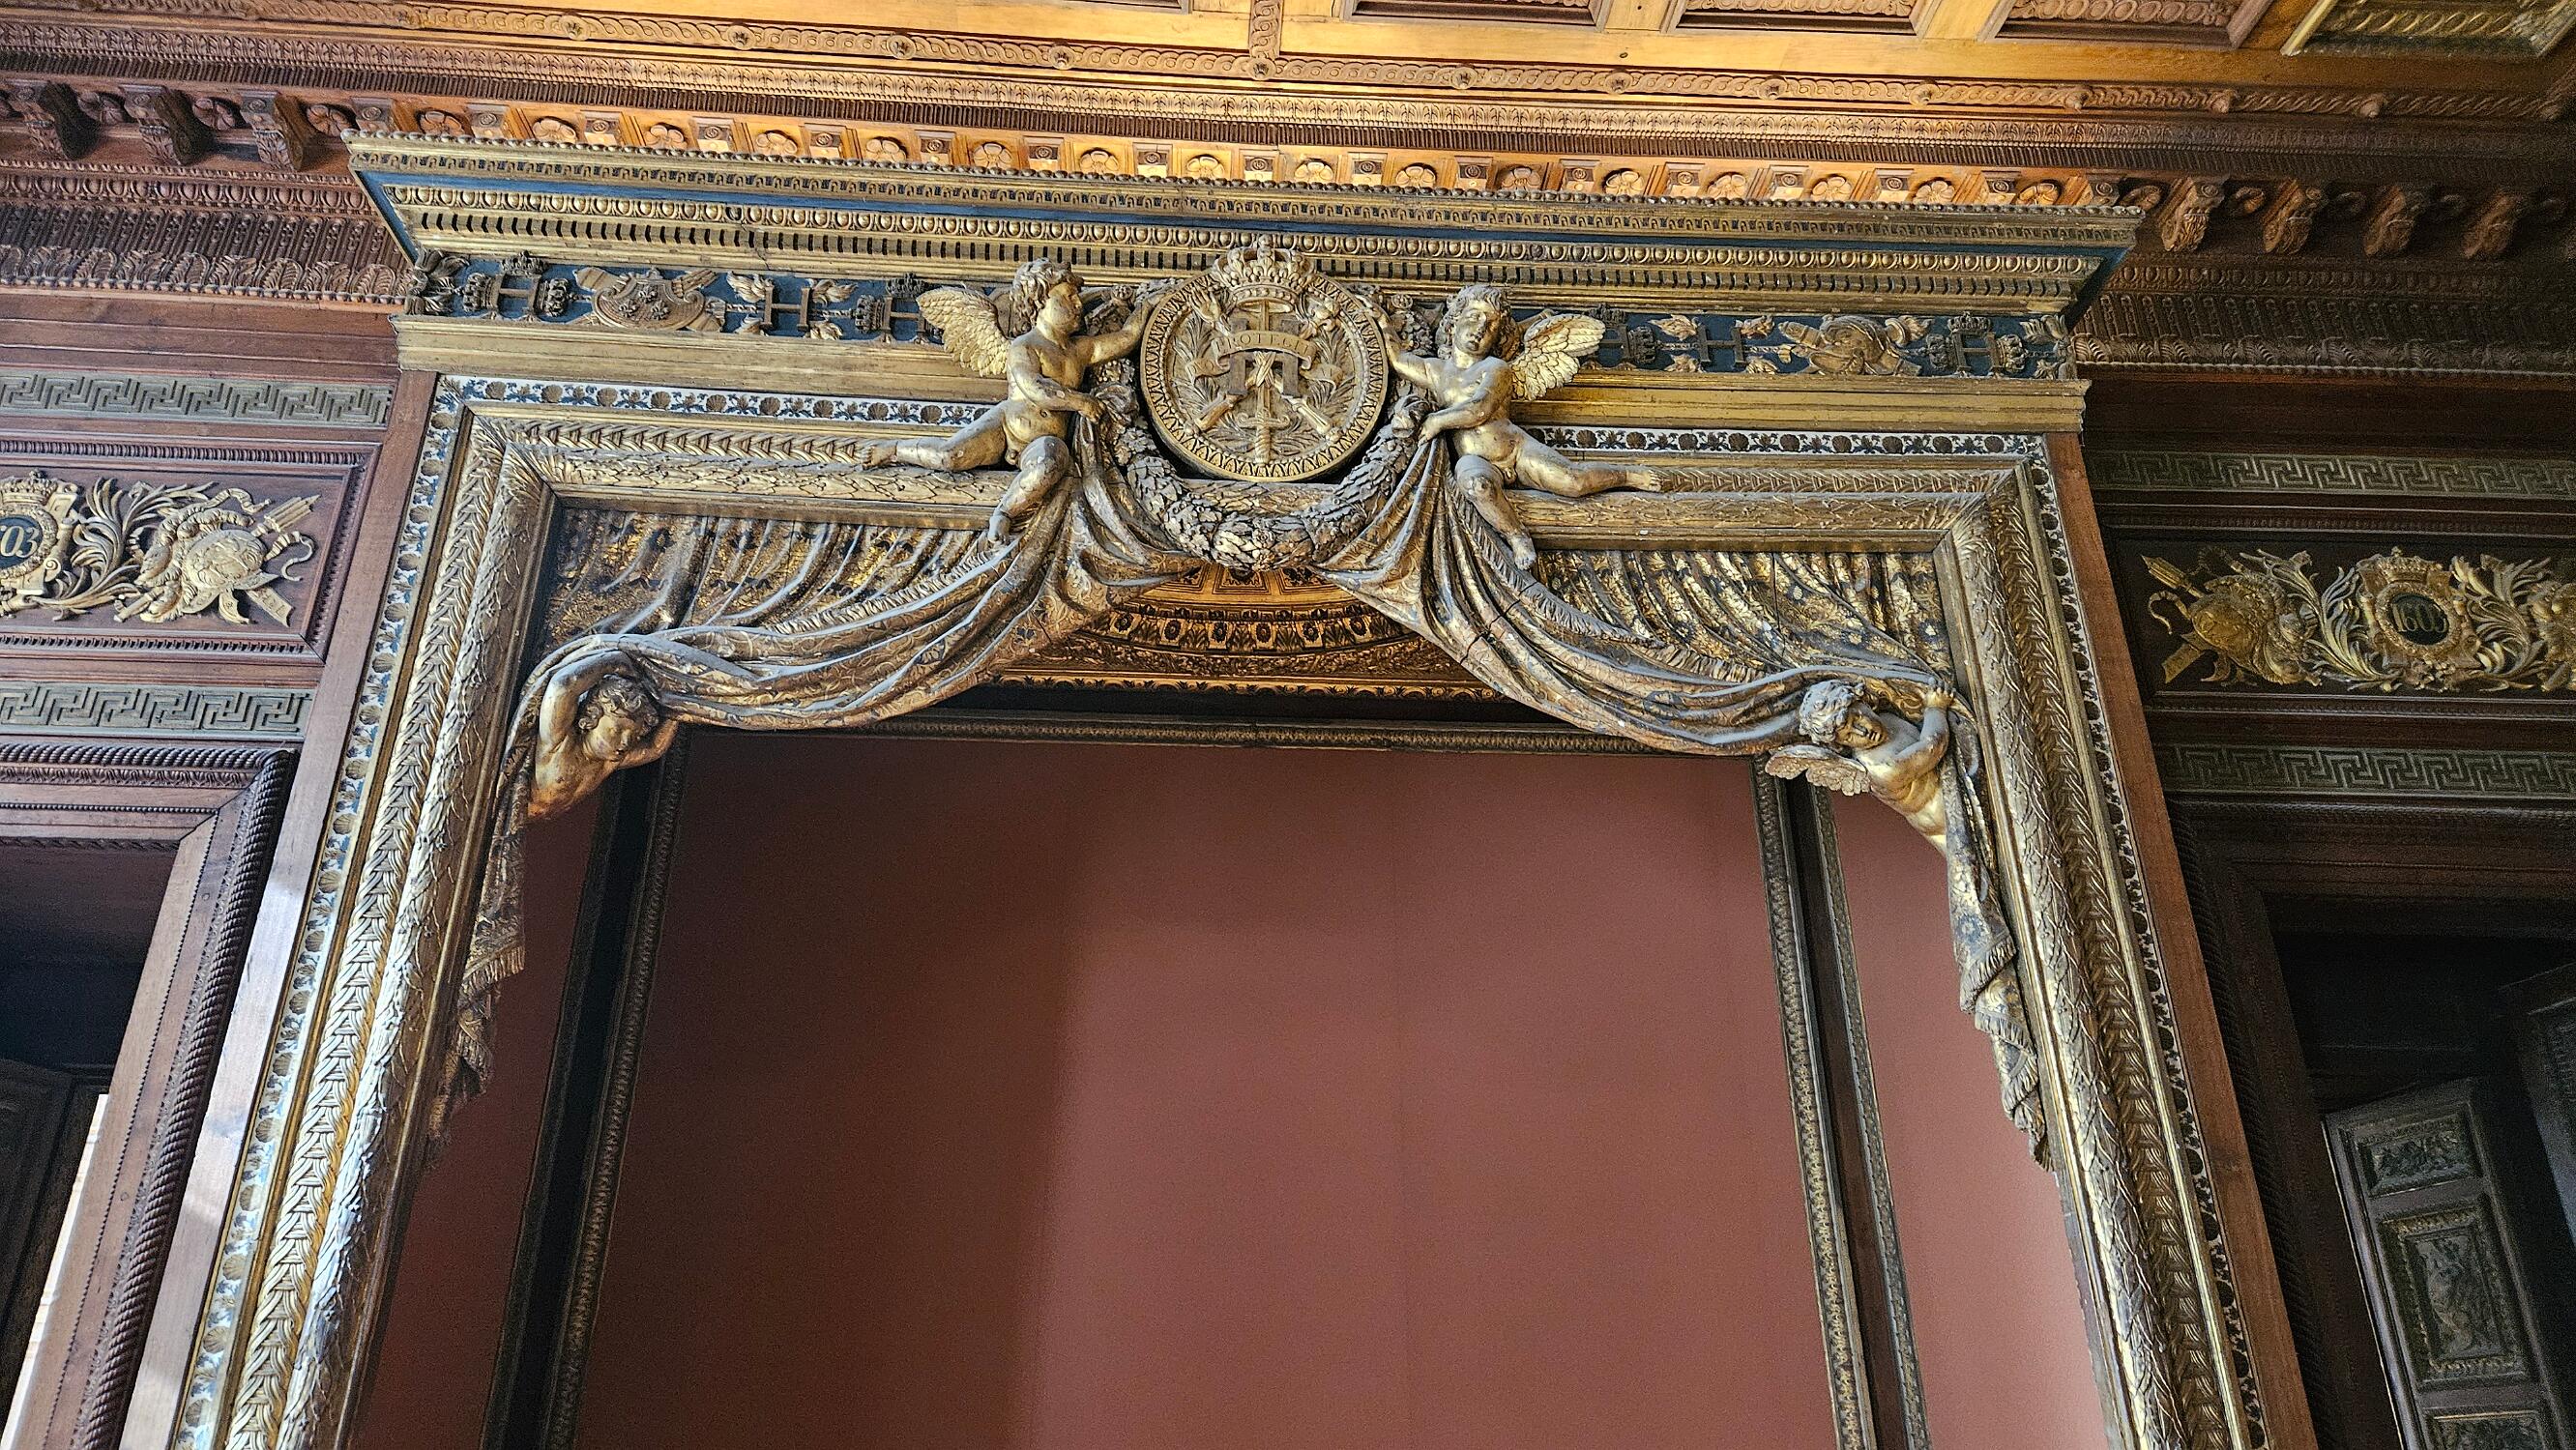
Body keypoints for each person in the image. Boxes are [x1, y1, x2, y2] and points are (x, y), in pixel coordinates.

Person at [1385, 284, 1657, 569]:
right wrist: (1380, 321)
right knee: (1476, 486)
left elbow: (1479, 409)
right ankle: (1516, 535)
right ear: (1454, 320)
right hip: (1475, 458)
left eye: (1491, 325)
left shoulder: (1495, 368)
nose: (1481, 328)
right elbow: (1398, 359)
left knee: (1573, 481)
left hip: (1516, 450)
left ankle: (1629, 475)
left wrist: (1437, 420)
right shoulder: (1436, 371)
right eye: (1475, 317)